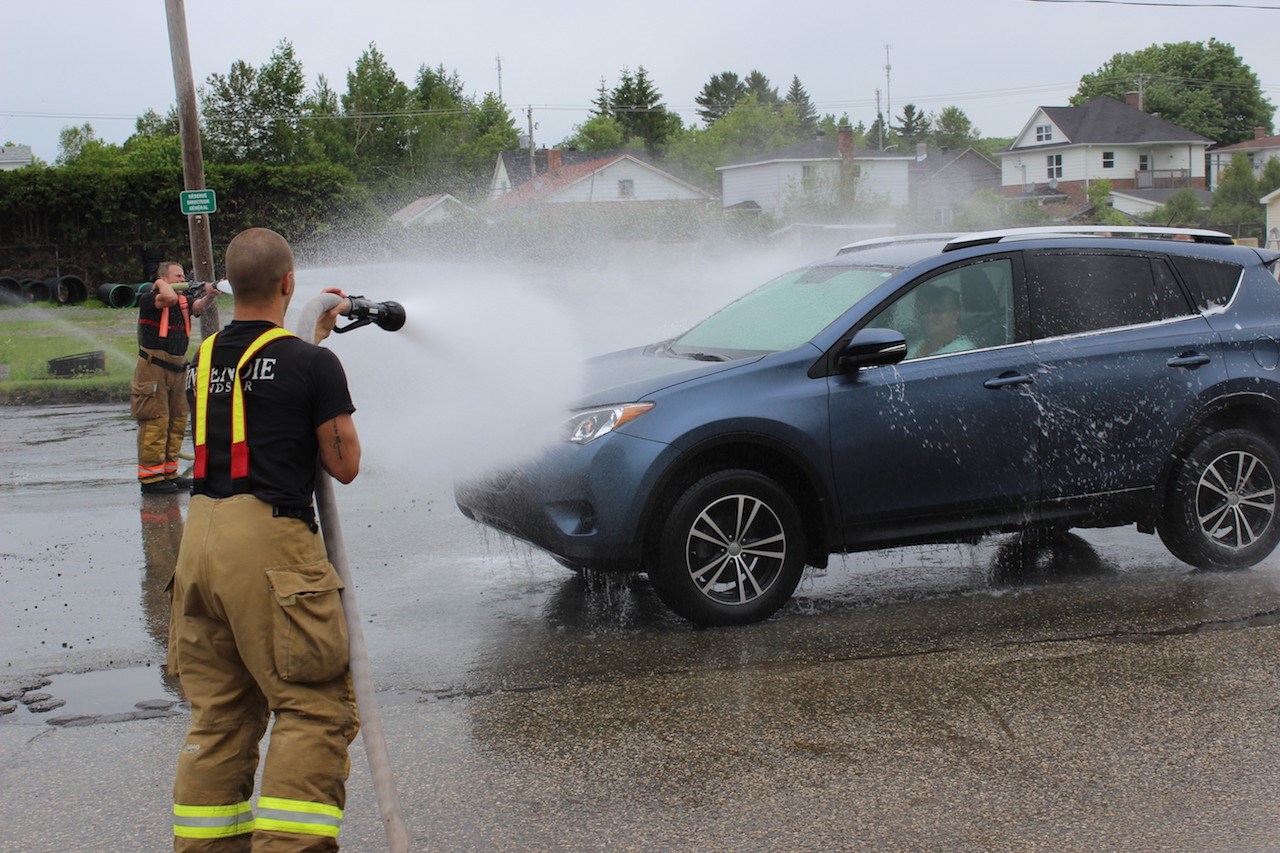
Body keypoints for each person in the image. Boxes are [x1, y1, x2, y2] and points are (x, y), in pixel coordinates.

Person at [167, 227, 361, 852]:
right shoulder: (313, 363)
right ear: (289, 282)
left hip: (198, 544)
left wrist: (307, 340)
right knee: (312, 706)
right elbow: (344, 463)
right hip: (268, 548)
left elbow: (259, 383)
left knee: (221, 714)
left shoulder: (205, 355)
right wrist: (319, 357)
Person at [133, 260, 218, 494]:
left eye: (183, 276)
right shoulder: (150, 296)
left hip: (178, 368)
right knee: (155, 420)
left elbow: (198, 307)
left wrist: (210, 294)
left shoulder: (183, 300)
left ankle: (170, 472)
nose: (183, 280)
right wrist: (160, 283)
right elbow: (168, 298)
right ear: (163, 279)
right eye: (177, 277)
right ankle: (151, 479)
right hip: (153, 368)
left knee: (178, 419)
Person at [911, 286, 975, 359]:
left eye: (938, 311)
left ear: (955, 315)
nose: (930, 317)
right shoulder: (918, 344)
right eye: (926, 311)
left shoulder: (963, 352)